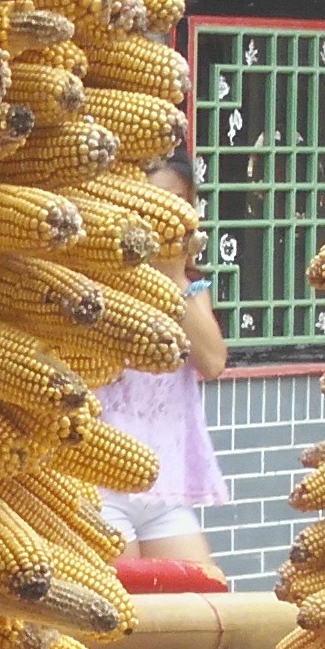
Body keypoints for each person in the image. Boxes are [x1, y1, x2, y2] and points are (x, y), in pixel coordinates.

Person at [100, 151, 232, 572]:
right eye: (150, 205)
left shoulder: (190, 288)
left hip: (164, 485)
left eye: (177, 203)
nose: (165, 217)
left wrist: (174, 276)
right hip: (100, 480)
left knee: (207, 597)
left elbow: (212, 362)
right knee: (132, 616)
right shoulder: (95, 279)